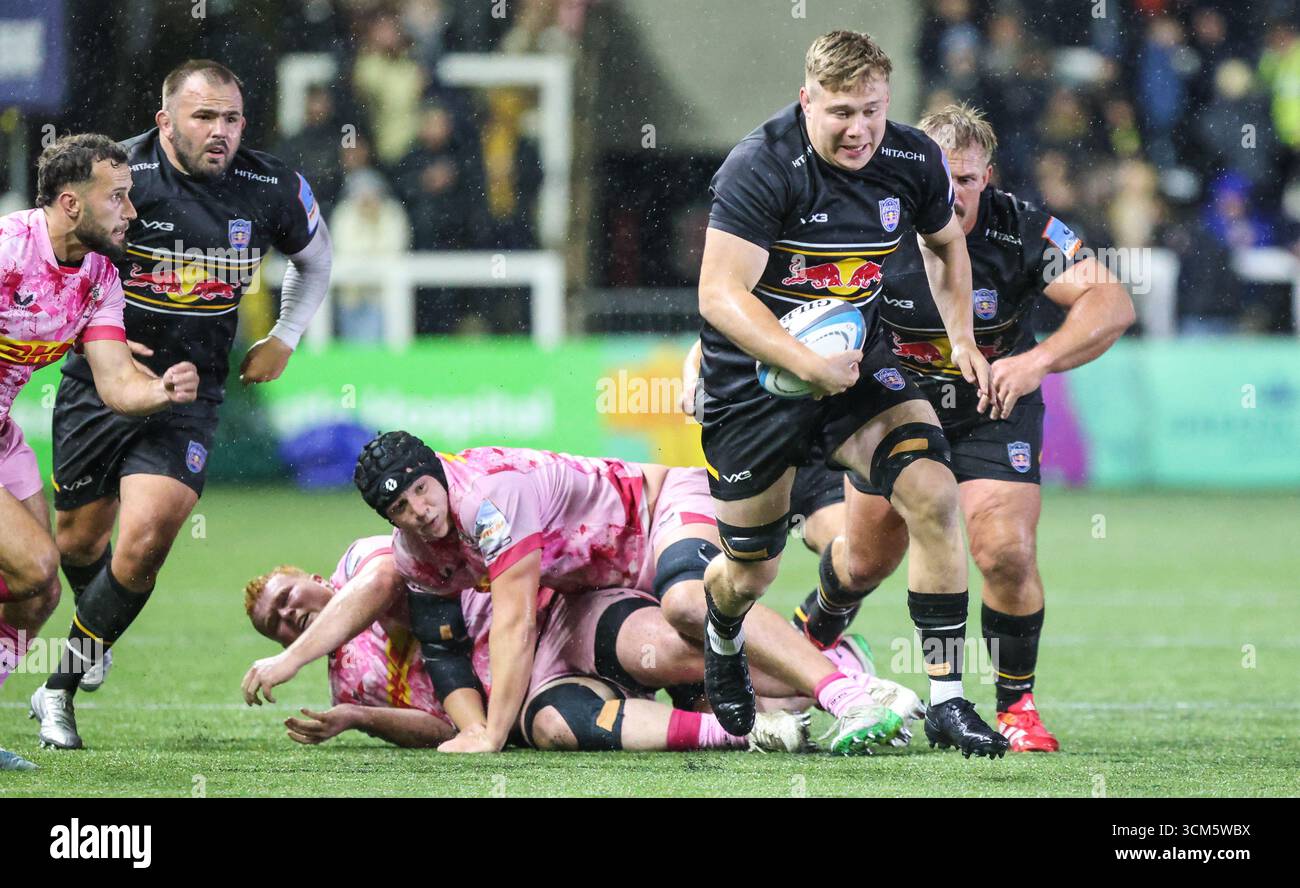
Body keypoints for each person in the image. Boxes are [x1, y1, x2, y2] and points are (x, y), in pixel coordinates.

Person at [694, 29, 1007, 757]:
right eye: (840, 111)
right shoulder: (762, 165)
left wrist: (960, 337)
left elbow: (948, 244)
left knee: (931, 488)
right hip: (755, 382)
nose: (859, 128)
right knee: (751, 566)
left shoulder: (910, 158)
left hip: (852, 365)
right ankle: (723, 631)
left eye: (871, 109)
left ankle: (949, 702)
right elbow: (718, 293)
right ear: (807, 101)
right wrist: (801, 360)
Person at [801, 103, 1134, 751]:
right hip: (894, 403)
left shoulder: (1022, 227)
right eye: (939, 177)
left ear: (988, 176)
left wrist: (1036, 361)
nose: (952, 195)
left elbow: (1112, 301)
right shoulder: (871, 223)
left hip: (991, 405)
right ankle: (812, 632)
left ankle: (1015, 706)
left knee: (1005, 549)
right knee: (865, 559)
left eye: (968, 180)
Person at [32, 60, 332, 751]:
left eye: (230, 118)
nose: (219, 132)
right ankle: (95, 627)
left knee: (144, 541)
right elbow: (58, 253)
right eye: (203, 117)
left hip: (190, 392)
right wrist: (86, 335)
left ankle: (58, 690)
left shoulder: (273, 186)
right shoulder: (118, 176)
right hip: (100, 382)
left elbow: (317, 259)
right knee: (78, 540)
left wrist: (284, 335)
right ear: (165, 121)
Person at [346, 431, 923, 754]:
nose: (419, 512)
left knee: (690, 605)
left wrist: (491, 735)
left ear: (437, 474)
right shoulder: (414, 552)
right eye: (400, 508)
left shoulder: (487, 501)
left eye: (422, 490)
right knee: (696, 685)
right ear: (387, 517)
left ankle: (849, 691)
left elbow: (516, 623)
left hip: (656, 512)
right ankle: (827, 671)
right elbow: (443, 646)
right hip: (599, 584)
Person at [0, 134, 199, 765]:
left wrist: (162, 391)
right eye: (117, 197)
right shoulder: (9, 249)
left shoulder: (100, 274)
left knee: (43, 591)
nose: (132, 212)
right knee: (31, 565)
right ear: (70, 203)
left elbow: (115, 382)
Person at [240, 536, 815, 753]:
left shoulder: (359, 563)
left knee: (667, 654)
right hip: (534, 687)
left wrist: (290, 658)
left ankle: (827, 669)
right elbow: (447, 728)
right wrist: (358, 717)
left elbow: (387, 579)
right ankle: (744, 733)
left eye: (285, 597)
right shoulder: (352, 680)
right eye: (277, 625)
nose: (286, 614)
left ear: (315, 580)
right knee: (558, 729)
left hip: (560, 615)